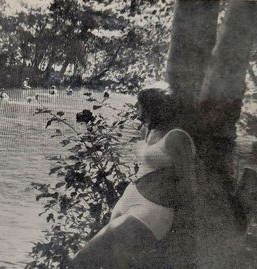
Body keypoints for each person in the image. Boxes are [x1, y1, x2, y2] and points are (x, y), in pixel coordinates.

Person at [71, 87, 197, 268]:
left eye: (140, 106)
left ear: (152, 108)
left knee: (81, 260)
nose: (137, 110)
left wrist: (182, 230)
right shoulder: (147, 132)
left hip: (152, 211)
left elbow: (189, 184)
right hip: (128, 202)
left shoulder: (177, 137)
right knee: (111, 265)